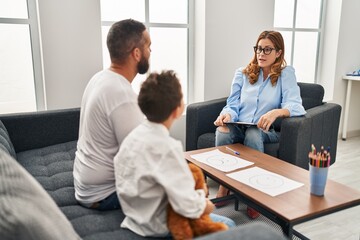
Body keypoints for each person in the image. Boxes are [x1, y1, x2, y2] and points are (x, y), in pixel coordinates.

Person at [114, 70, 236, 237]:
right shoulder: (168, 148)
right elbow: (188, 206)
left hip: (134, 219)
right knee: (230, 224)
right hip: (159, 226)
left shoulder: (131, 137)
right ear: (177, 110)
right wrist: (205, 204)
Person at [213, 30, 306, 218]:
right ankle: (224, 185)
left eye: (267, 50)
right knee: (223, 131)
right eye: (258, 49)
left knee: (253, 134)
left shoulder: (285, 74)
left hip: (266, 130)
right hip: (239, 125)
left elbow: (295, 105)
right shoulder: (242, 73)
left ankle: (254, 194)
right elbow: (232, 104)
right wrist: (226, 116)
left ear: (279, 52)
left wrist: (276, 112)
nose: (261, 54)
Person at [73, 19, 151, 210]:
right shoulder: (121, 93)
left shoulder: (100, 78)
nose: (151, 52)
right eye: (149, 46)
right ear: (137, 53)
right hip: (105, 194)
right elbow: (140, 162)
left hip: (86, 185)